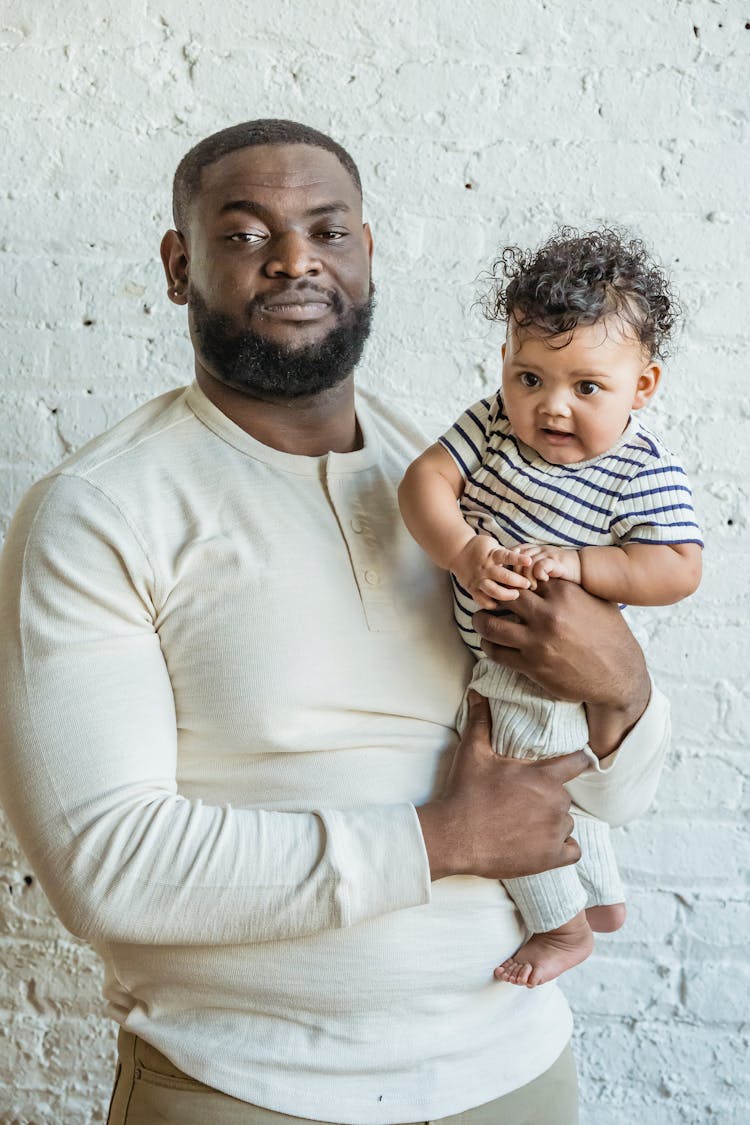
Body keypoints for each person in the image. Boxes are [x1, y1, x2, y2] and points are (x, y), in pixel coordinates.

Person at [0, 122, 669, 1125]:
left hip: (516, 1074)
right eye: (244, 234)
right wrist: (439, 840)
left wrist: (623, 687)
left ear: (369, 254)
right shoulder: (99, 509)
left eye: (328, 230)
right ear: (179, 266)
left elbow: (613, 797)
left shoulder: (473, 484)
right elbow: (108, 869)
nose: (295, 260)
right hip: (242, 1090)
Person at [399, 228, 702, 990]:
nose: (551, 406)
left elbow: (678, 567)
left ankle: (560, 924)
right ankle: (600, 893)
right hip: (497, 656)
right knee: (556, 786)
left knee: (509, 788)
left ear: (644, 386)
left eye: (586, 387)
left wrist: (580, 566)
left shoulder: (639, 469)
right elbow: (423, 483)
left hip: (536, 671)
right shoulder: (494, 423)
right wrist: (465, 551)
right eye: (528, 376)